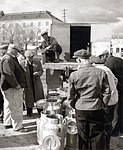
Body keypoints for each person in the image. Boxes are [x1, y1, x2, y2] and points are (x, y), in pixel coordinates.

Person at [66, 49, 111, 150]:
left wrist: (74, 105)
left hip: (81, 108)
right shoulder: (101, 72)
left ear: (78, 60)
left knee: (83, 137)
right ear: (89, 59)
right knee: (97, 137)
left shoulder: (74, 75)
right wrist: (103, 104)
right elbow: (107, 92)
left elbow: (70, 95)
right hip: (96, 108)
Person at [92, 53, 119, 149]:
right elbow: (115, 80)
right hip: (113, 99)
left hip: (106, 101)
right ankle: (106, 143)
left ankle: (103, 144)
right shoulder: (107, 69)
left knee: (102, 124)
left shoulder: (97, 71)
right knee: (109, 123)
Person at [0, 44, 28, 132]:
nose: (18, 53)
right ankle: (18, 126)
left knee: (9, 105)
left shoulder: (8, 58)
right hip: (12, 87)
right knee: (16, 106)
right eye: (17, 51)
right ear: (13, 50)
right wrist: (16, 85)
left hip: (8, 87)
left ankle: (8, 123)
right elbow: (9, 74)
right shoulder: (8, 59)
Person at [99, 50, 123, 136]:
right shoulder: (119, 59)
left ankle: (115, 131)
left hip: (118, 89)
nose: (101, 59)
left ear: (105, 55)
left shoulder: (108, 64)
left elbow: (111, 79)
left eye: (101, 57)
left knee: (116, 111)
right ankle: (120, 129)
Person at [19, 50, 45, 116]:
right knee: (28, 97)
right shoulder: (22, 63)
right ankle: (29, 111)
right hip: (28, 83)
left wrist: (38, 73)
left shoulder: (37, 62)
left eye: (31, 57)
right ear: (26, 57)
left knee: (39, 96)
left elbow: (41, 71)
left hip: (36, 82)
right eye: (28, 57)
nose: (29, 58)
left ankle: (40, 111)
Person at [0, 45, 8, 123]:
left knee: (3, 100)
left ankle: (2, 116)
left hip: (3, 83)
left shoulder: (4, 59)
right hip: (2, 83)